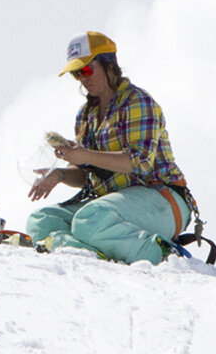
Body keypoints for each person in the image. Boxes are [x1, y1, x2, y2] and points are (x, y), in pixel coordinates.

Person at [27, 31, 197, 263]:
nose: (83, 79)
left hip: (162, 199)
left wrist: (85, 155)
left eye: (87, 70)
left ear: (109, 65)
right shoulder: (86, 115)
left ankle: (161, 253)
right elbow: (88, 173)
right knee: (42, 219)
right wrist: (58, 174)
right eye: (77, 74)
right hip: (112, 206)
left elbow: (138, 162)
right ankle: (91, 257)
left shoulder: (137, 102)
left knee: (89, 218)